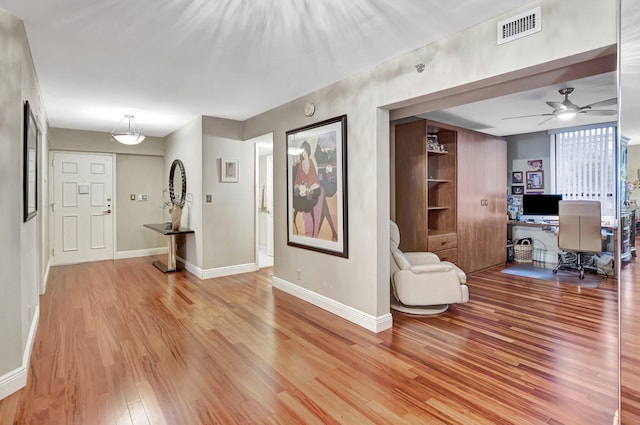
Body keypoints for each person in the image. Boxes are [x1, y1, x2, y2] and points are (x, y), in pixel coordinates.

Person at [293, 141, 324, 238]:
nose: (304, 153)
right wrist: (300, 188)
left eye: (305, 151)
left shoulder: (311, 162)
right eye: (302, 151)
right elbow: (296, 182)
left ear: (308, 151)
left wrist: (308, 189)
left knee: (313, 195)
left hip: (310, 192)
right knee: (297, 199)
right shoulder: (299, 165)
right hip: (303, 193)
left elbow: (316, 182)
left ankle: (311, 233)